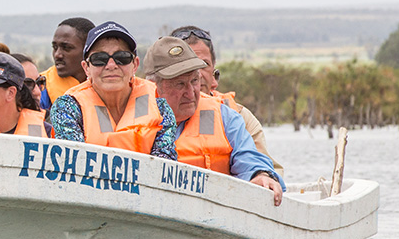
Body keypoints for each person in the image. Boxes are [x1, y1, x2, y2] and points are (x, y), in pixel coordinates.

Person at [144, 36, 285, 205]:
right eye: (180, 84)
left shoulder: (226, 117)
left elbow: (248, 157)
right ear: (153, 86)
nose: (190, 92)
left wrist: (260, 175)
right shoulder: (131, 117)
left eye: (194, 81)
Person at [49, 21, 177, 158]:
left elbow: (163, 164)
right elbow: (75, 162)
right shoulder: (67, 107)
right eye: (99, 59)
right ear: (86, 68)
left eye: (121, 57)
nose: (111, 65)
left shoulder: (160, 108)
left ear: (135, 65)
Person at [170, 25, 283, 175]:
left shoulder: (238, 117)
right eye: (186, 66)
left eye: (203, 65)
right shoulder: (152, 114)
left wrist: (261, 176)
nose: (196, 74)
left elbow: (265, 170)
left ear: (213, 73)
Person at [40, 17, 95, 110]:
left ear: (88, 51)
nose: (57, 55)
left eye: (66, 48)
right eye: (55, 47)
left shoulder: (109, 86)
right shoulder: (39, 88)